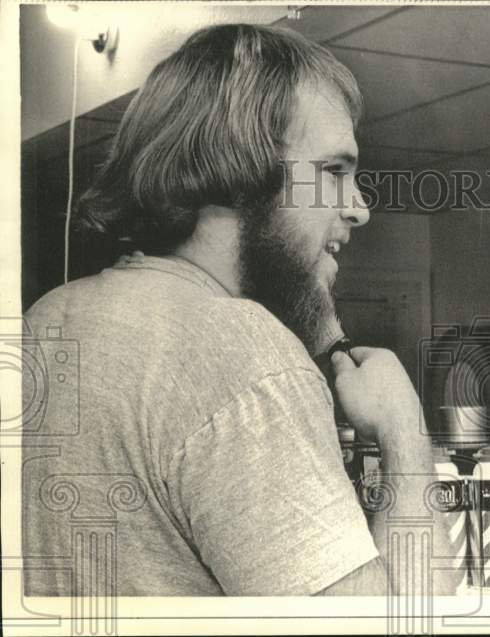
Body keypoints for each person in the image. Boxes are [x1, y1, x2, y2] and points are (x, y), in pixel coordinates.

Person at [23, 24, 457, 596]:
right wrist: (403, 429)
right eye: (334, 172)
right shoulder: (243, 352)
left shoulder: (48, 318)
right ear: (237, 173)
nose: (359, 209)